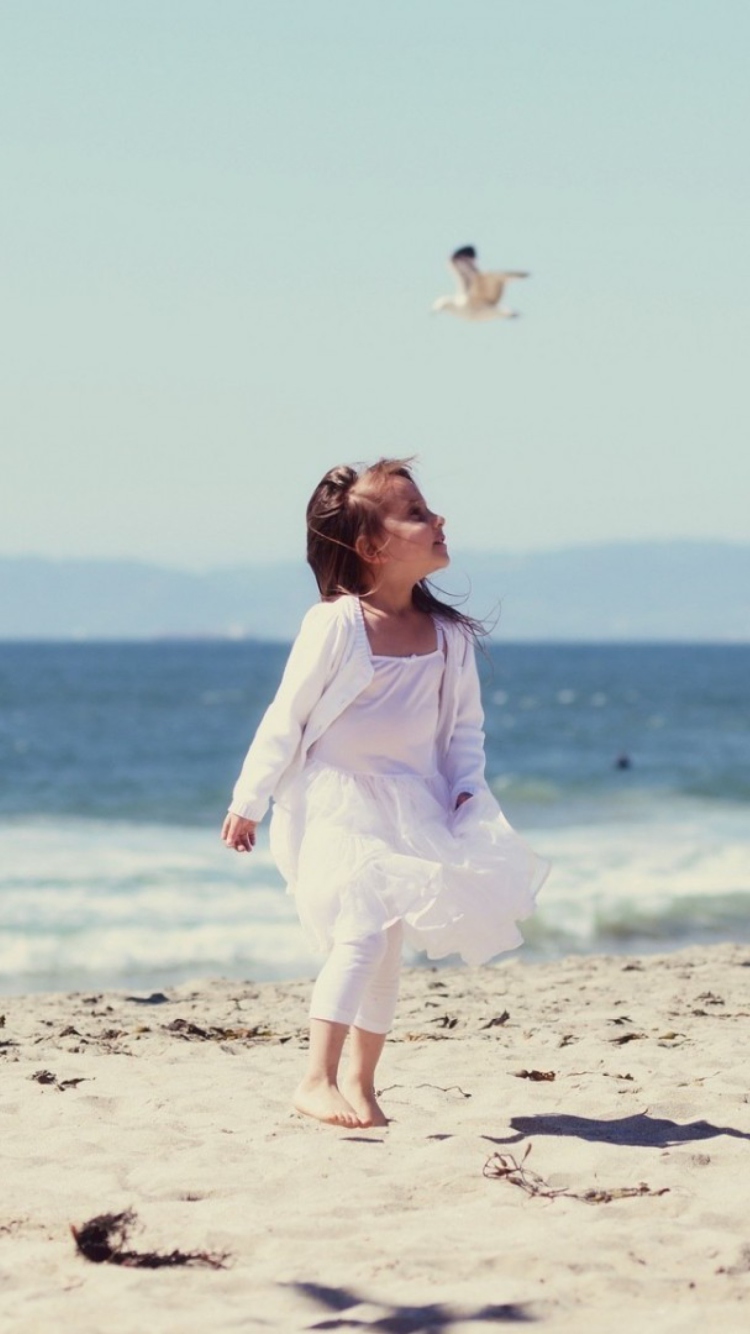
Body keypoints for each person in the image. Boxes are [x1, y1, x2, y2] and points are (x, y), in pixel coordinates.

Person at [221, 458, 548, 1129]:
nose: (438, 520)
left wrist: (464, 793)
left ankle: (363, 1084)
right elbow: (286, 716)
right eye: (417, 513)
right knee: (362, 932)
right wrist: (248, 800)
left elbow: (463, 731)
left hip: (413, 804)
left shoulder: (449, 637)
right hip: (338, 802)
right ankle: (315, 1078)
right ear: (371, 548)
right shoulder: (337, 625)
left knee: (389, 949)